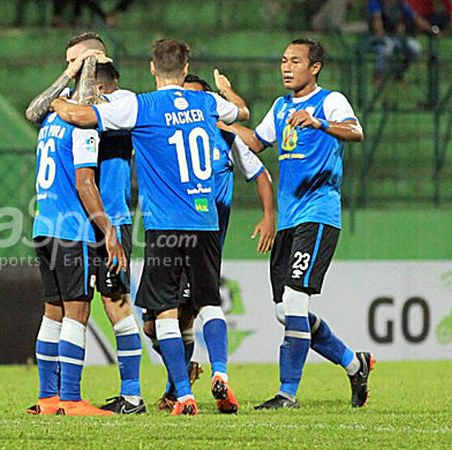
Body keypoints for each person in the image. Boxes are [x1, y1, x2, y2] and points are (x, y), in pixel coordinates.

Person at [52, 38, 244, 416]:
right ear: (187, 70)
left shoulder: (140, 105)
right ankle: (221, 371)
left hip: (165, 224)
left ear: (153, 68)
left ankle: (185, 395)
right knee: (208, 302)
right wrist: (227, 92)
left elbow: (79, 117)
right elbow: (240, 111)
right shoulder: (206, 102)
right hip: (206, 220)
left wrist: (54, 96)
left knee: (165, 311)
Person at [227, 38, 374, 410]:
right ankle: (355, 364)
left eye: (295, 61)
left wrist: (320, 123)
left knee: (294, 300)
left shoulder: (330, 100)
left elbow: (356, 132)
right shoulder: (279, 107)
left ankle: (287, 393)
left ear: (315, 67)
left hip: (318, 213)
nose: (286, 67)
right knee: (284, 310)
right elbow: (257, 143)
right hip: (289, 219)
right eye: (283, 60)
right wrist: (220, 125)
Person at [25, 33, 147, 415]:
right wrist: (70, 77)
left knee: (115, 305)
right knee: (67, 310)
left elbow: (79, 110)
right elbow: (43, 110)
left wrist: (76, 80)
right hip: (80, 222)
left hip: (111, 218)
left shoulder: (122, 102)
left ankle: (131, 394)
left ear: (98, 65)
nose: (73, 69)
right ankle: (61, 397)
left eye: (78, 62)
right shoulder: (71, 113)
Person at [151, 73, 276, 413]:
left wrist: (269, 215)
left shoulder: (225, 137)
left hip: (204, 240)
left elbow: (261, 174)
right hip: (176, 234)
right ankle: (187, 376)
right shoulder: (167, 137)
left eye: (196, 98)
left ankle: (177, 389)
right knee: (159, 322)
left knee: (181, 314)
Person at [367, 0, 433, 84]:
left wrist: (432, 30)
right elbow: (376, 20)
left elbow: (416, 18)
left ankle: (398, 74)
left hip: (395, 38)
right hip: (375, 38)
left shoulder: (401, 3)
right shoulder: (375, 2)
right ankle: (378, 77)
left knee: (415, 48)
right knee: (385, 48)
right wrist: (381, 35)